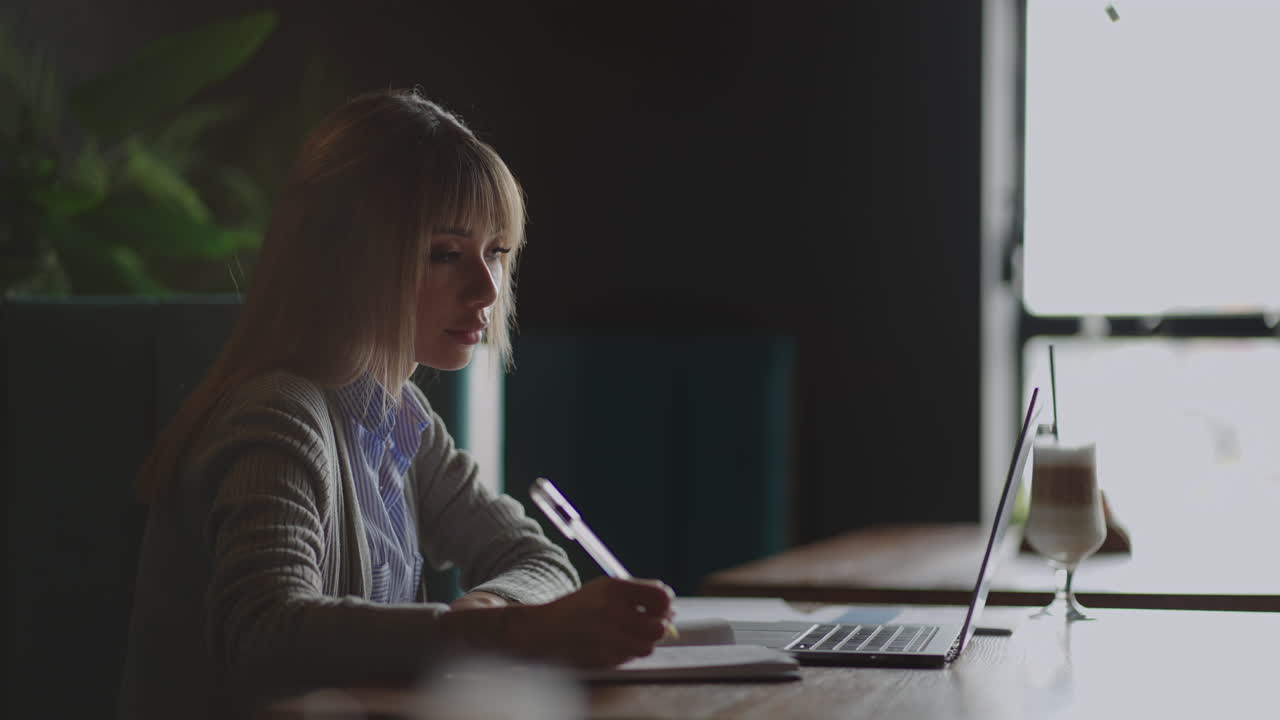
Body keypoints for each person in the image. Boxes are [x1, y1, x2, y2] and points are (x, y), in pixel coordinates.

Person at [118, 87, 674, 719]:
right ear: (347, 257)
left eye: (496, 252)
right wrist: (502, 633)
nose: (487, 288)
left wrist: (492, 612)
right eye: (445, 254)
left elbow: (536, 557)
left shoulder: (399, 418)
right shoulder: (279, 416)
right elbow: (264, 634)